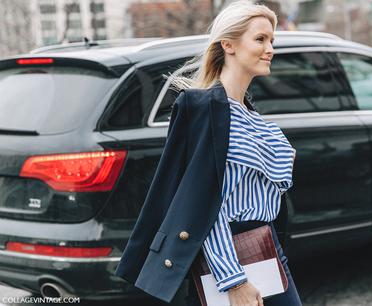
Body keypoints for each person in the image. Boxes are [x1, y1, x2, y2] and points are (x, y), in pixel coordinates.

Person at [115, 1, 301, 305]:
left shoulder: (254, 119)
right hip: (226, 258)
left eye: (272, 40)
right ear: (228, 44)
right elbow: (203, 202)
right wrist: (233, 279)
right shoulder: (204, 107)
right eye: (260, 39)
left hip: (265, 248)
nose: (270, 49)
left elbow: (268, 194)